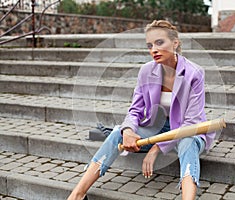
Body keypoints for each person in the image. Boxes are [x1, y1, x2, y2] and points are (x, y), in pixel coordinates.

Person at [68, 20, 215, 200]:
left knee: (188, 142)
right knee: (116, 133)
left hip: (188, 130)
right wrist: (128, 130)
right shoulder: (146, 71)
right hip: (157, 128)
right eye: (149, 45)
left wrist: (156, 149)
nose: (153, 49)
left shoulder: (194, 73)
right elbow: (135, 110)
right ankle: (77, 194)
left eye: (159, 43)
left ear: (175, 43)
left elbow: (191, 122)